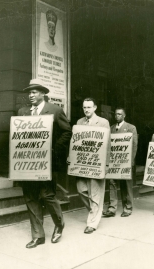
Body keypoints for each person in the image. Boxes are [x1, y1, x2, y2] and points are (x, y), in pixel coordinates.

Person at [17, 79, 72, 248]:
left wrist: (54, 149)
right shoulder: (23, 112)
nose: (31, 95)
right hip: (27, 162)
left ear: (43, 93)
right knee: (30, 196)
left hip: (48, 162)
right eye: (29, 92)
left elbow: (67, 132)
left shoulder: (54, 111)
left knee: (47, 195)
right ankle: (38, 235)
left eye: (34, 92)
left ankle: (59, 224)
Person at [74, 98, 110, 234]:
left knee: (95, 193)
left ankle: (92, 223)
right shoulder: (79, 122)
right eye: (84, 107)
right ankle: (95, 212)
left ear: (95, 108)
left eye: (89, 107)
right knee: (81, 189)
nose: (86, 110)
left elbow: (108, 144)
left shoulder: (103, 122)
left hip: (97, 163)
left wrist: (106, 164)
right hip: (82, 163)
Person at [103, 108, 138, 217]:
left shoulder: (131, 128)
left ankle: (127, 208)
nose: (116, 116)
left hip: (126, 162)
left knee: (126, 185)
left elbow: (134, 145)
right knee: (112, 183)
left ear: (124, 116)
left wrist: (131, 161)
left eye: (119, 114)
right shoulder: (111, 128)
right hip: (114, 161)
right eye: (115, 114)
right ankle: (112, 208)